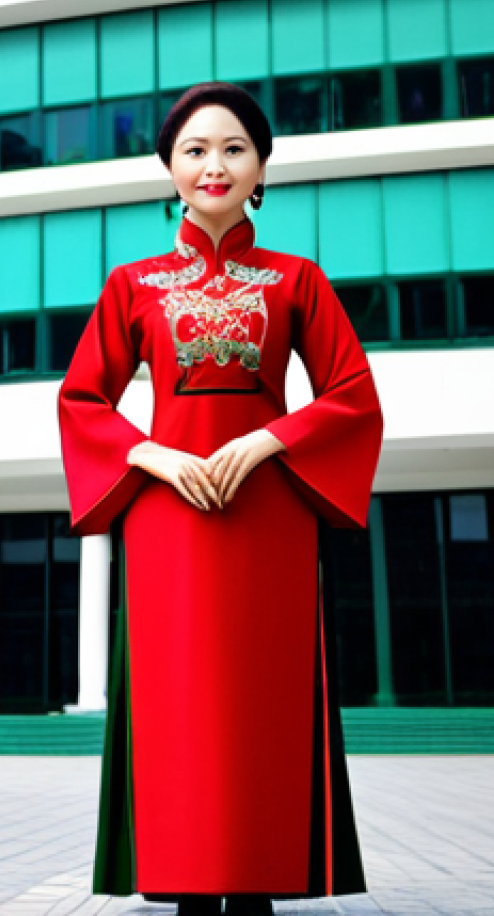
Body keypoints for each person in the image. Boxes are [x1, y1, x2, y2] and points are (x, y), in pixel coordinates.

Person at [57, 82, 384, 916]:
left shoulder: (297, 280)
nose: (215, 164)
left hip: (271, 516)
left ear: (262, 168)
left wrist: (266, 440)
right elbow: (82, 400)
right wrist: (155, 455)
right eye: (195, 150)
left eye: (234, 148)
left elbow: (352, 395)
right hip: (168, 520)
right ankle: (184, 880)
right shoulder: (132, 285)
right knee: (179, 704)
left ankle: (260, 881)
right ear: (169, 168)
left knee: (262, 701)